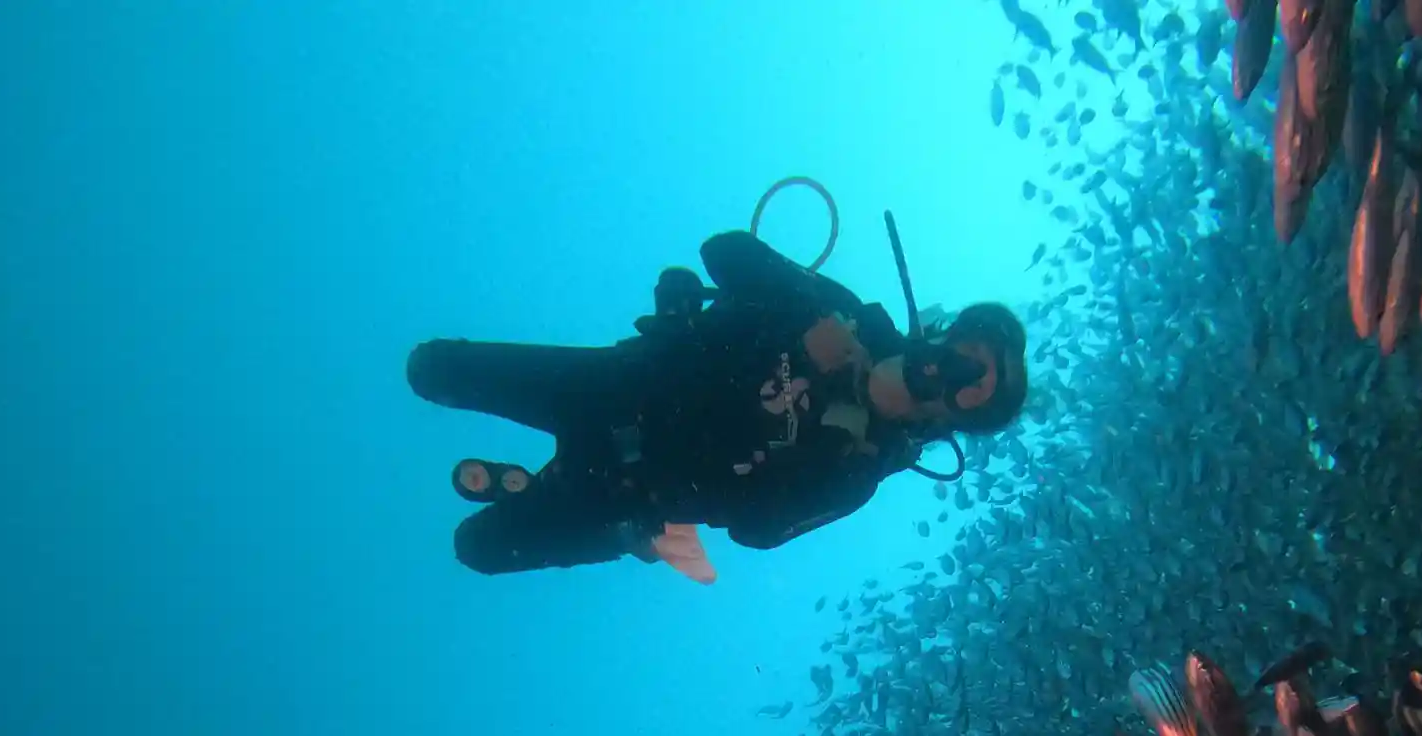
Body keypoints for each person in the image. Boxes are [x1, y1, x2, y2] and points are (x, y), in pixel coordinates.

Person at [406, 230, 1028, 582]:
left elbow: (756, 532)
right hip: (613, 384)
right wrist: (809, 318)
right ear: (949, 334)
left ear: (954, 418)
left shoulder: (856, 470)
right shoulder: (845, 311)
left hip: (628, 487)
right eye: (968, 352)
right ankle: (524, 486)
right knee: (431, 367)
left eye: (971, 389)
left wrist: (818, 454)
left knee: (478, 549)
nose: (956, 371)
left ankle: (583, 521)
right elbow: (722, 252)